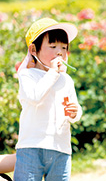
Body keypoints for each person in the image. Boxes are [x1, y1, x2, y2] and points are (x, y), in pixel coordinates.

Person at [14, 18, 82, 181]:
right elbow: (34, 97)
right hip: (31, 146)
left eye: (64, 48)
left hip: (60, 147)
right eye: (53, 47)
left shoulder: (66, 80)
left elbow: (75, 109)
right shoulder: (27, 75)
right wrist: (53, 73)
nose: (60, 52)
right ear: (34, 50)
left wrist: (75, 113)